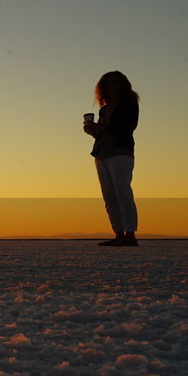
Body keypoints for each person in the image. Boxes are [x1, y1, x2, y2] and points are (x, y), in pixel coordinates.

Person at [83, 70, 140, 246]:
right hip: (102, 153)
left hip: (120, 151)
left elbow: (129, 126)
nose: (113, 85)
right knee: (109, 195)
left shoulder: (128, 102)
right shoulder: (104, 109)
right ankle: (119, 234)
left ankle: (129, 235)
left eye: (116, 82)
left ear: (123, 84)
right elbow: (103, 133)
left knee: (122, 193)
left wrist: (103, 128)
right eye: (109, 83)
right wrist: (94, 131)